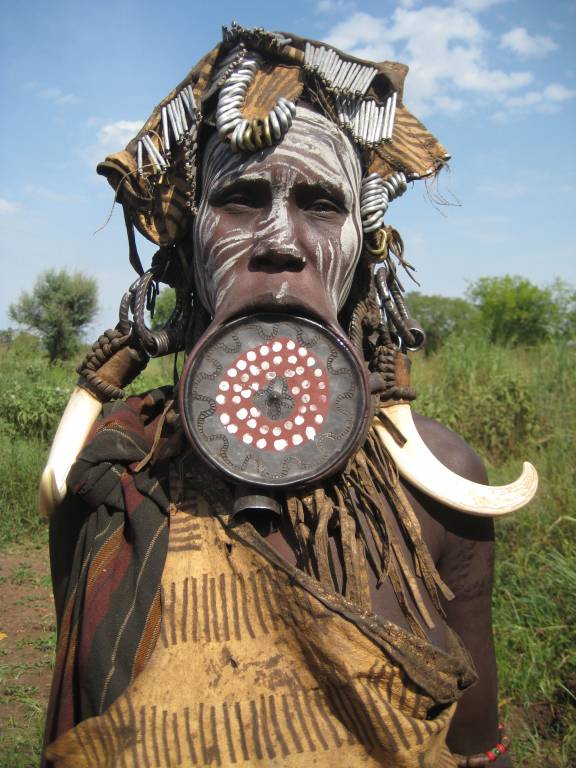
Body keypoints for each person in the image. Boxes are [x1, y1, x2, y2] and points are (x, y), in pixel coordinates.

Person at [42, 24, 535, 767]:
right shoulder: (112, 467)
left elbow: (476, 749)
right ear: (187, 251)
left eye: (321, 204)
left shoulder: (439, 477)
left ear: (360, 258)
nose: (280, 239)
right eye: (240, 199)